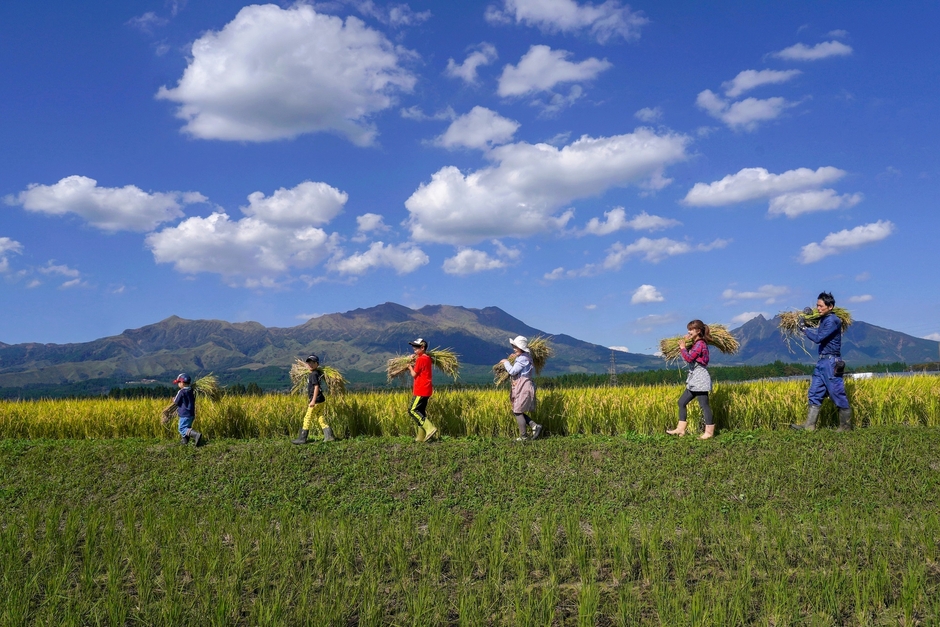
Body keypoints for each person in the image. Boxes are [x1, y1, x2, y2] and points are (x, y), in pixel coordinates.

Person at [791, 292, 852, 432]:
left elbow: (819, 337)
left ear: (830, 307)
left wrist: (803, 328)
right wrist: (806, 315)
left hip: (831, 362)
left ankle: (845, 427)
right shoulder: (824, 319)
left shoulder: (833, 320)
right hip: (822, 361)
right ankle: (809, 426)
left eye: (820, 306)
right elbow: (816, 322)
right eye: (817, 305)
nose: (818, 308)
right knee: (814, 392)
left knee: (837, 392)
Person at [666, 321, 716, 439]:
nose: (689, 331)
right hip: (694, 379)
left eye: (691, 330)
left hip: (700, 378)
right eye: (688, 329)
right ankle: (681, 429)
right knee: (681, 402)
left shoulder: (700, 344)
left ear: (698, 331)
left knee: (704, 405)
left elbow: (689, 358)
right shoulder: (696, 343)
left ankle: (709, 433)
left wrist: (683, 347)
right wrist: (687, 341)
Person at [500, 336, 543, 441]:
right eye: (513, 346)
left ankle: (524, 436)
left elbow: (513, 371)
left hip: (523, 387)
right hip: (522, 386)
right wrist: (514, 358)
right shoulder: (525, 357)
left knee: (517, 411)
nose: (514, 348)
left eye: (516, 347)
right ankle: (534, 426)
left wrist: (506, 362)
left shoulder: (523, 358)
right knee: (517, 410)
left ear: (521, 348)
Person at [292, 355, 334, 444]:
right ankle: (329, 436)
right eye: (309, 362)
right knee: (320, 417)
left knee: (307, 418)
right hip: (321, 400)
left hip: (317, 401)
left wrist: (313, 401)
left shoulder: (313, 374)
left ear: (317, 364)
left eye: (313, 363)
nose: (310, 364)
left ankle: (302, 438)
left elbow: (316, 387)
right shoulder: (316, 373)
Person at [407, 338, 438, 442]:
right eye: (413, 347)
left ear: (422, 347)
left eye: (416, 347)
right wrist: (415, 356)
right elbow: (421, 360)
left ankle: (430, 428)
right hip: (427, 389)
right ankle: (420, 437)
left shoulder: (421, 359)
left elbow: (414, 374)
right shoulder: (427, 358)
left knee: (412, 410)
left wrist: (409, 367)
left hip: (421, 389)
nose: (414, 349)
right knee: (421, 412)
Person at [171, 373, 205, 446]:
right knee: (187, 427)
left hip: (184, 413)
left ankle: (196, 435)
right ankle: (185, 441)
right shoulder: (192, 390)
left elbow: (176, 402)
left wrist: (173, 400)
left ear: (182, 383)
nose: (178, 384)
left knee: (182, 428)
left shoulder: (181, 391)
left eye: (178, 382)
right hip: (191, 414)